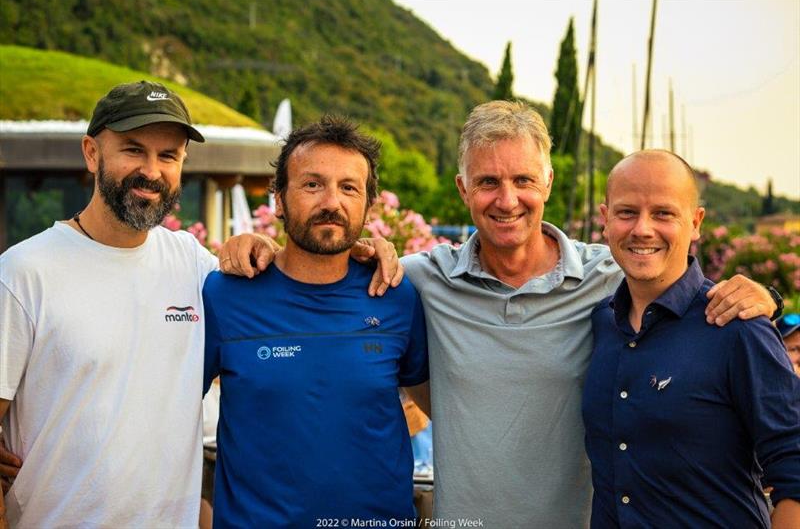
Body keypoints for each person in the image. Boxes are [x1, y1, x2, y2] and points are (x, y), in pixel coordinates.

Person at [219, 101, 778, 527]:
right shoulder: (417, 280)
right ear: (464, 189)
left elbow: (669, 260)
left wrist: (765, 295)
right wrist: (259, 247)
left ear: (548, 184)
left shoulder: (609, 278)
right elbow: (336, 267)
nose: (506, 199)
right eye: (488, 182)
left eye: (523, 181)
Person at [0, 82, 399, 528]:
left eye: (168, 155)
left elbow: (270, 266)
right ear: (92, 153)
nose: (152, 171)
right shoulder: (23, 273)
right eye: (134, 150)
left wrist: (362, 249)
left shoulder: (192, 265)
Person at [202, 116, 429, 527]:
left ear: (369, 205)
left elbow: (439, 407)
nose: (332, 202)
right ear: (279, 200)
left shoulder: (396, 295)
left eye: (349, 188)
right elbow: (169, 415)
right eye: (312, 184)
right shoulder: (225, 296)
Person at [582, 150, 800, 528]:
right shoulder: (601, 322)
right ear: (605, 220)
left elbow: (794, 460)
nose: (643, 229)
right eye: (627, 212)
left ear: (696, 222)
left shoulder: (737, 326)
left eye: (663, 213)